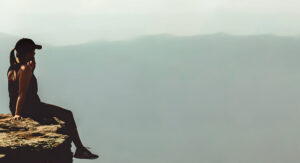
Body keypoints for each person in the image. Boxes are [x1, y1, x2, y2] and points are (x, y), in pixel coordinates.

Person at [7, 38, 99, 159]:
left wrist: (32, 70)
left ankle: (80, 149)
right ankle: (80, 149)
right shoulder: (25, 69)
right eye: (32, 51)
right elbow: (21, 94)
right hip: (30, 108)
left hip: (19, 107)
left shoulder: (12, 68)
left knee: (58, 117)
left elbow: (16, 91)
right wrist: (18, 114)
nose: (34, 53)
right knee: (67, 115)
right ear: (26, 52)